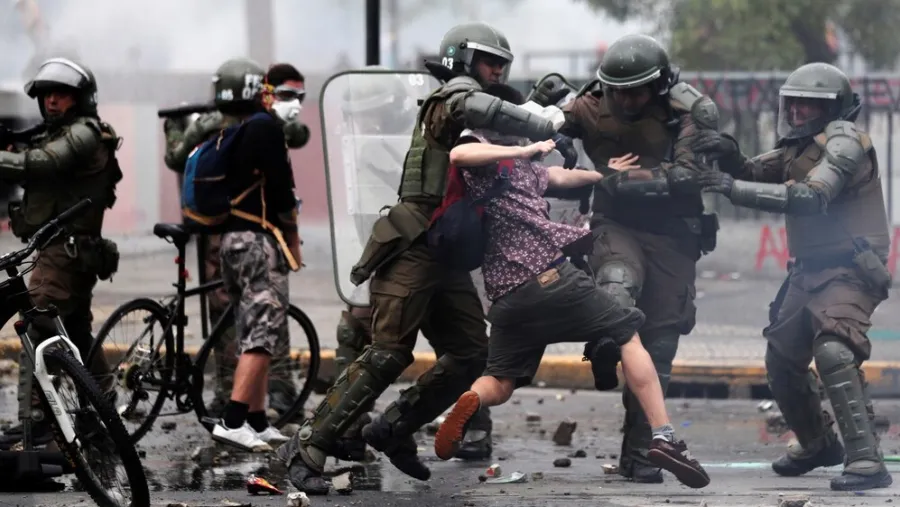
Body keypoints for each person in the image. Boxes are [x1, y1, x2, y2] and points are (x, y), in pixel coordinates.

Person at [275, 21, 558, 494]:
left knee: (471, 354)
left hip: (446, 253)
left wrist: (553, 114)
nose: (497, 72)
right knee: (387, 353)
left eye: (503, 65)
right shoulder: (448, 101)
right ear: (464, 62)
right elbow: (473, 103)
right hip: (412, 246)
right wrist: (541, 122)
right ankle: (305, 448)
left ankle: (394, 427)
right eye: (490, 62)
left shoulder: (477, 119)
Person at [433, 82, 711, 490]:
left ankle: (472, 400)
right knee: (629, 333)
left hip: (508, 299)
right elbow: (459, 154)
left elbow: (561, 178)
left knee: (502, 381)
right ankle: (665, 438)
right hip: (551, 278)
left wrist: (606, 173)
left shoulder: (520, 169)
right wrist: (521, 150)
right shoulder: (491, 153)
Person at [693, 62, 893, 492]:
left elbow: (810, 195)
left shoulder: (845, 142)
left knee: (835, 350)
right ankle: (817, 444)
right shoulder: (797, 147)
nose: (799, 110)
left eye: (810, 103)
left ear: (832, 108)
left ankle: (865, 461)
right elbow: (752, 170)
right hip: (809, 270)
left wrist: (731, 187)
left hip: (851, 269)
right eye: (795, 102)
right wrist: (727, 153)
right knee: (782, 360)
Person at [529, 34, 720, 483]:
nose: (625, 100)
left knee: (659, 347)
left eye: (635, 90)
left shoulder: (686, 111)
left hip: (674, 234)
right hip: (616, 225)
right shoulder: (590, 105)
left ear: (658, 84)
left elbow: (690, 176)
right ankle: (604, 340)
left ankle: (641, 454)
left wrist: (616, 178)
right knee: (616, 282)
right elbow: (533, 128)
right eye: (617, 91)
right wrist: (549, 129)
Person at [162, 61, 310, 420]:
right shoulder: (258, 126)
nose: (293, 103)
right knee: (255, 319)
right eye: (286, 94)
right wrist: (293, 238)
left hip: (222, 233)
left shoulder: (223, 123)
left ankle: (255, 405)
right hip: (249, 232)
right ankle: (238, 407)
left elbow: (300, 133)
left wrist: (182, 128)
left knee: (247, 317)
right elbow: (281, 185)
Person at [0, 57, 122, 448]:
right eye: (47, 95)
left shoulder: (85, 132)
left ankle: (36, 422)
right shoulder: (61, 131)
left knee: (35, 329)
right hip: (64, 249)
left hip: (63, 253)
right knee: (77, 333)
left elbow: (46, 164)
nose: (52, 101)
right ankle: (103, 408)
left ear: (80, 98)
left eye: (61, 94)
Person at [206, 57, 303, 451]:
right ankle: (232, 421)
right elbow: (281, 191)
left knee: (250, 328)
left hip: (230, 241)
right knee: (263, 332)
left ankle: (258, 420)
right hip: (258, 241)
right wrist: (293, 237)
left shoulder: (233, 128)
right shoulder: (265, 129)